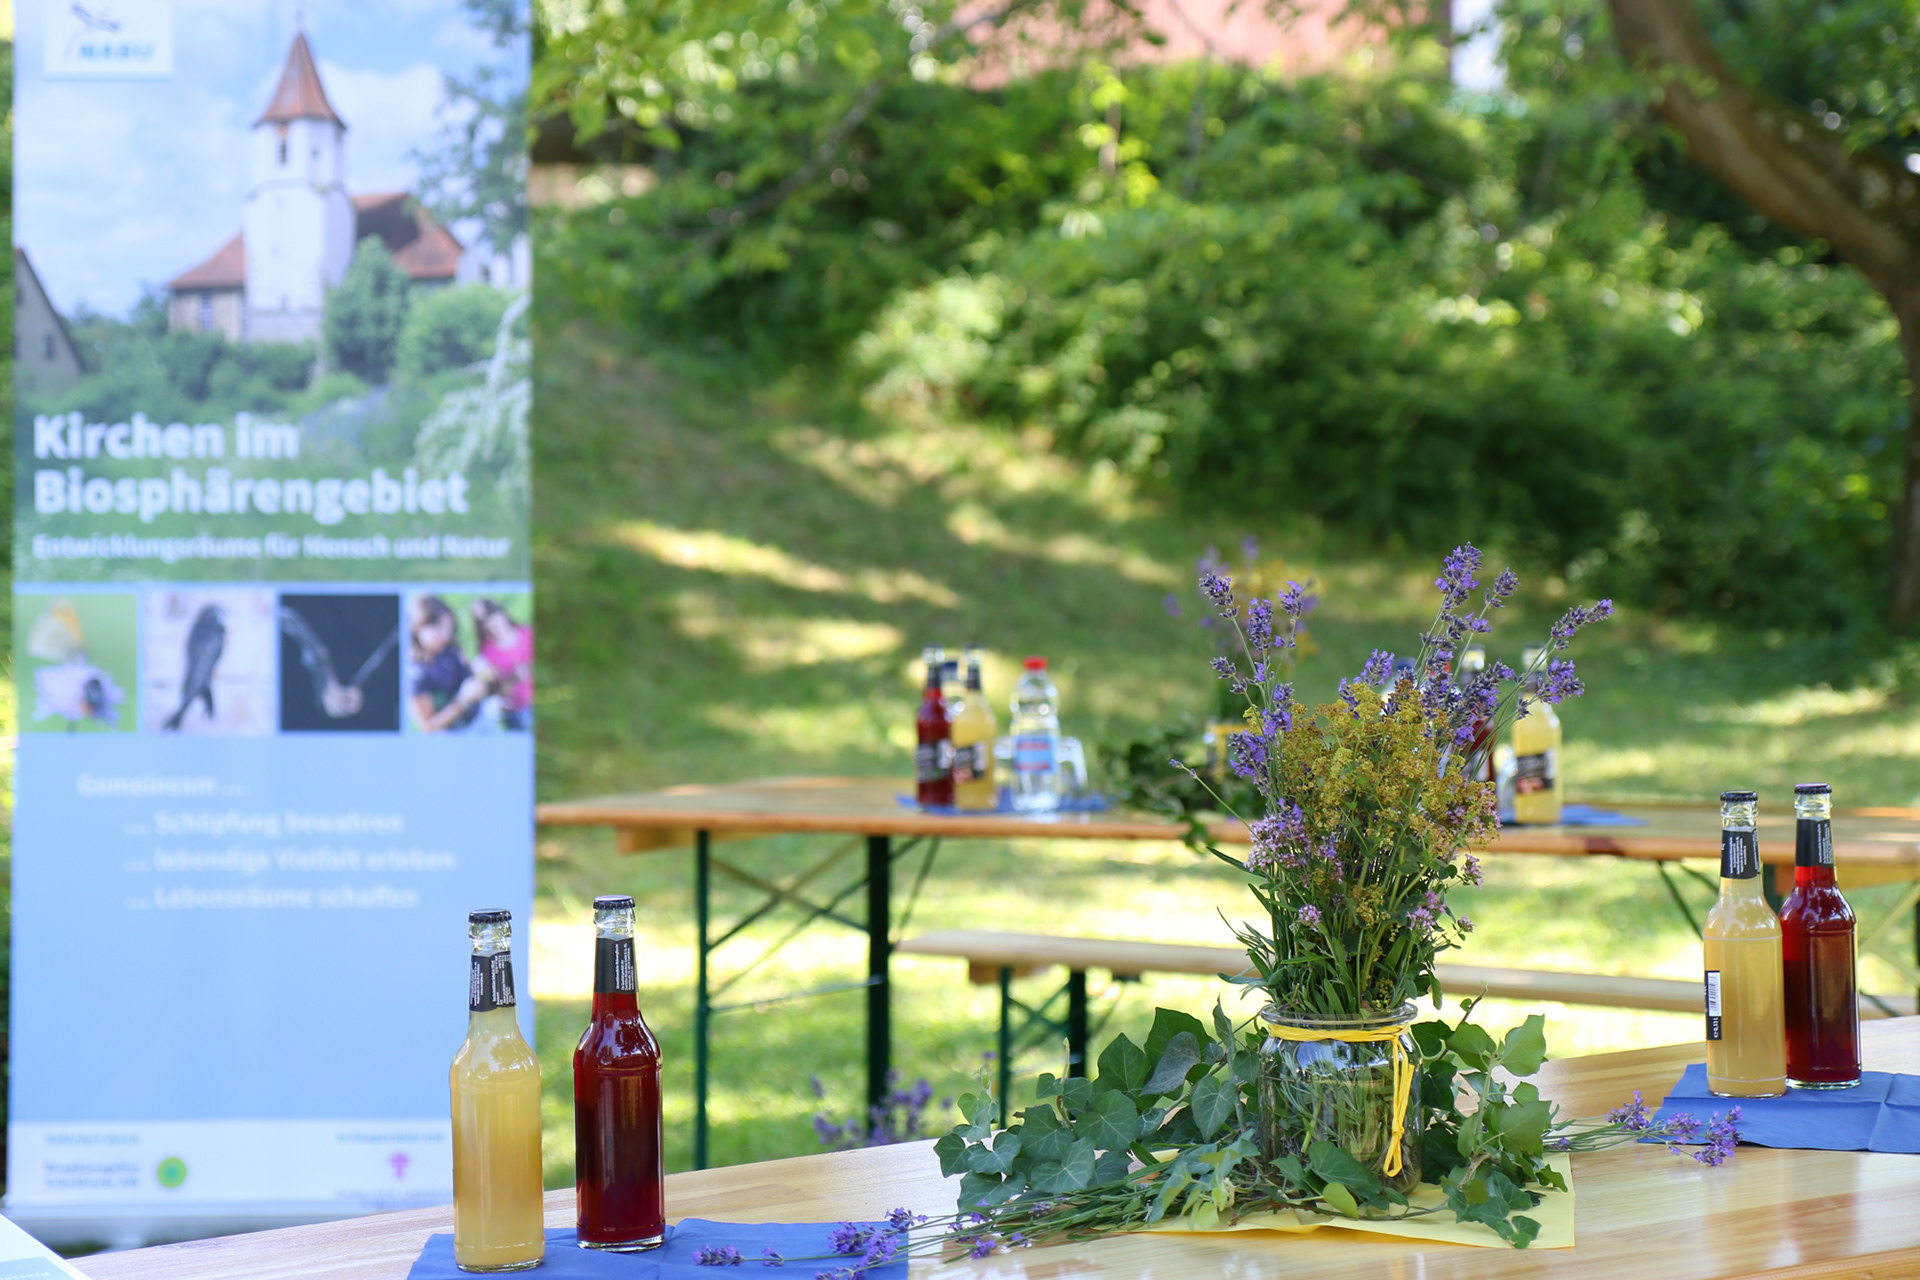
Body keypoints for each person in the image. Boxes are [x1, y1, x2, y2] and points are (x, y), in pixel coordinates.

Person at [410, 596, 482, 733]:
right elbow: (427, 727)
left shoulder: (449, 647)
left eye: (449, 628)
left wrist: (479, 672)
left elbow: (467, 669)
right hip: (455, 735)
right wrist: (463, 702)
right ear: (418, 629)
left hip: (479, 718)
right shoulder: (415, 674)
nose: (446, 635)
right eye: (438, 629)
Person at [471, 598, 533, 731]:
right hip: (517, 710)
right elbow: (497, 692)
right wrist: (513, 679)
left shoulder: (527, 633)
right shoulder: (486, 654)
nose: (492, 625)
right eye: (483, 622)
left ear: (502, 614)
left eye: (492, 616)